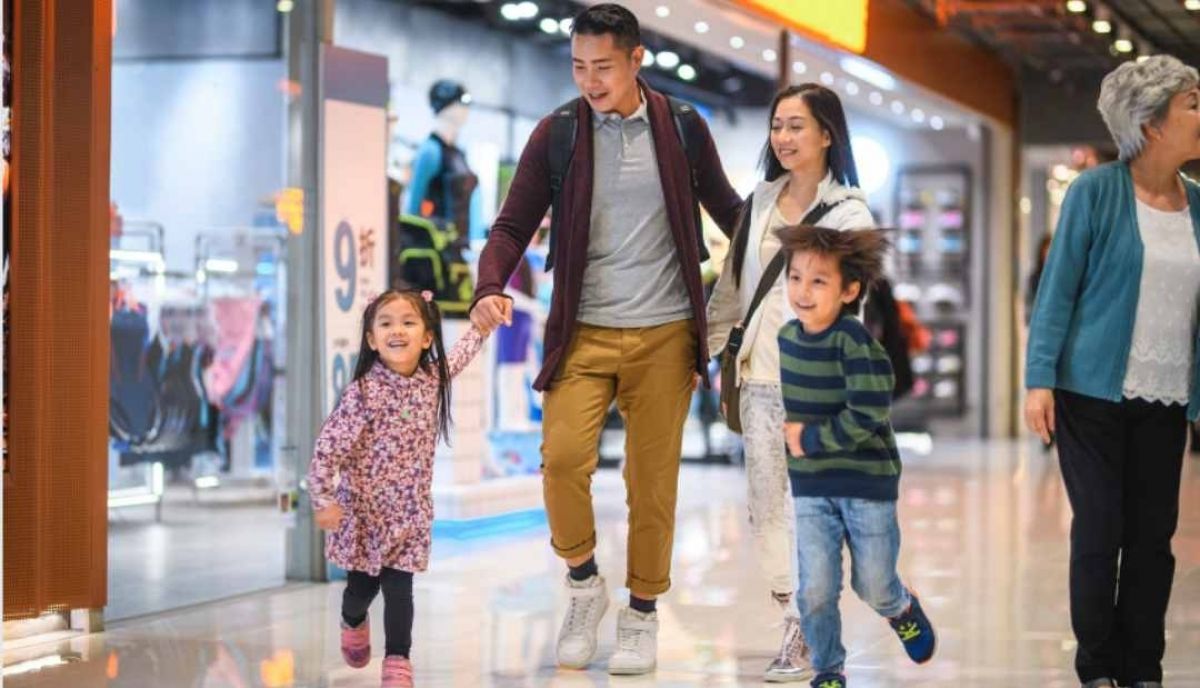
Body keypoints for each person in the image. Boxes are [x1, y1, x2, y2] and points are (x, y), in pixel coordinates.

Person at [469, 2, 742, 676]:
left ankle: (641, 614)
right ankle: (584, 582)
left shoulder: (682, 128)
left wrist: (789, 252)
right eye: (578, 67)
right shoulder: (558, 132)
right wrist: (489, 285)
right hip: (582, 331)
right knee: (562, 460)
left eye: (603, 67)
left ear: (636, 60)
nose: (590, 81)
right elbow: (511, 226)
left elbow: (729, 211)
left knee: (651, 485)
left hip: (665, 334)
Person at [1024, 55, 1200, 688]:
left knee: (1153, 539)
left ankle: (1142, 667)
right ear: (1152, 123)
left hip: (1167, 394)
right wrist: (1038, 378)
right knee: (1100, 532)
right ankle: (1096, 666)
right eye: (1193, 105)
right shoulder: (1094, 192)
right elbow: (1057, 290)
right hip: (1089, 393)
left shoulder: (1198, 203)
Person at [705, 83, 874, 683]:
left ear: (827, 134)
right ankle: (792, 615)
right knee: (766, 506)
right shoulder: (759, 201)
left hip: (819, 383)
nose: (783, 137)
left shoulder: (851, 214)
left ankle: (812, 624)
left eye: (797, 125)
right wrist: (707, 350)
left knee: (813, 511)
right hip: (758, 376)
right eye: (777, 125)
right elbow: (735, 288)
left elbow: (852, 306)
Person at [775, 225, 936, 688]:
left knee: (874, 583)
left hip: (867, 484)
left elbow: (868, 412)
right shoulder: (786, 339)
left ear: (849, 290)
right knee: (815, 589)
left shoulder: (856, 344)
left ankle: (900, 608)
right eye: (795, 278)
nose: (803, 291)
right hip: (811, 485)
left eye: (818, 281)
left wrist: (810, 439)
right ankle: (828, 670)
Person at [307, 290, 489, 688]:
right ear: (371, 339)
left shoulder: (431, 380)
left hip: (409, 514)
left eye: (409, 322)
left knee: (400, 589)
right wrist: (323, 498)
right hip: (364, 516)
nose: (397, 331)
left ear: (427, 337)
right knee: (361, 590)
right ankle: (352, 620)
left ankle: (397, 662)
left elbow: (461, 354)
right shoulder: (363, 393)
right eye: (386, 323)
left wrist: (482, 324)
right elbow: (328, 448)